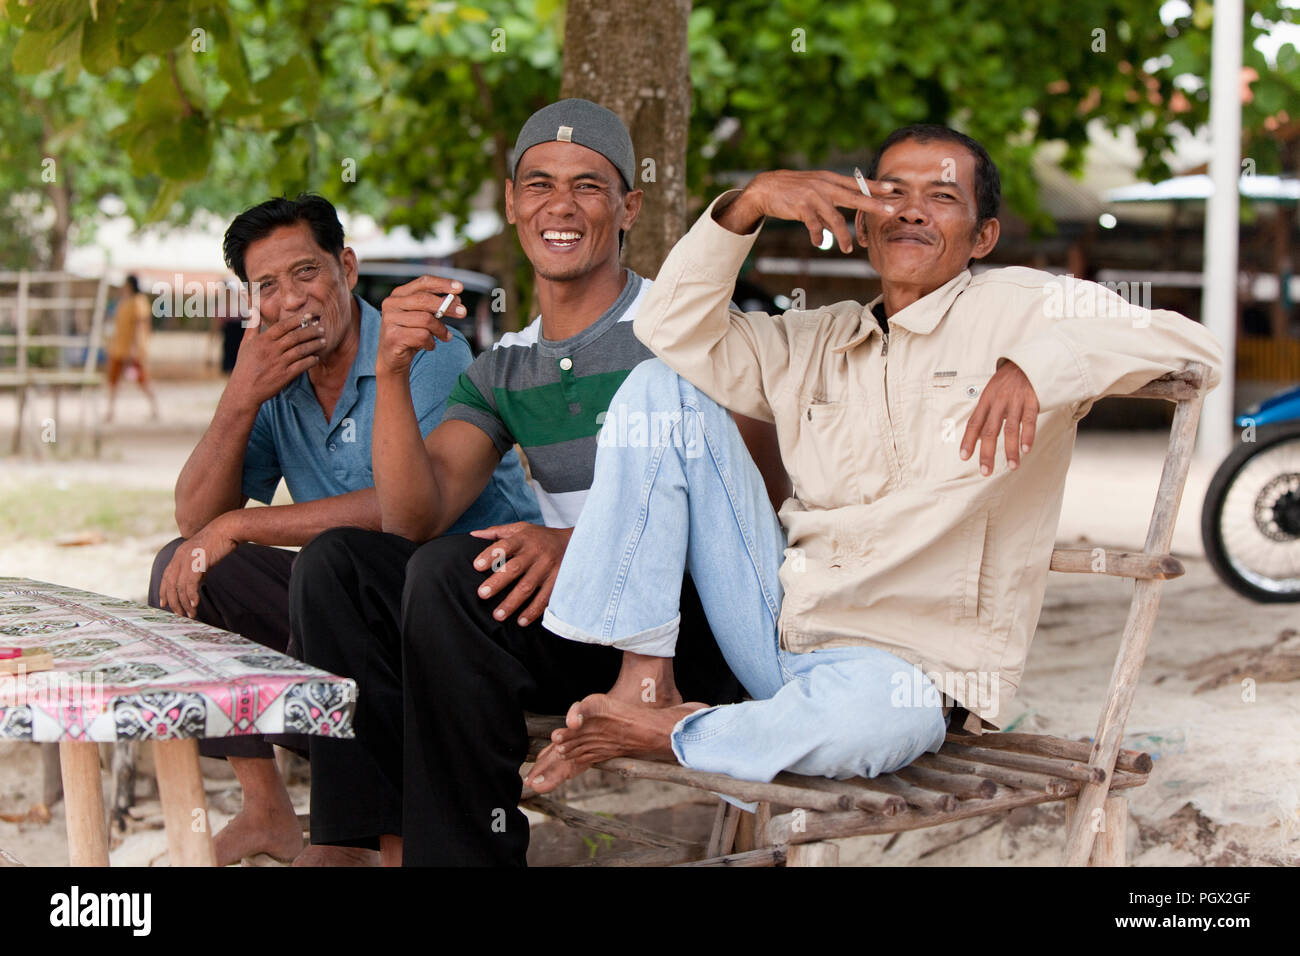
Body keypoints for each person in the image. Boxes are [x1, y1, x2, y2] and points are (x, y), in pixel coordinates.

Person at [526, 124, 1226, 798]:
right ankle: (646, 681)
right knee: (660, 385)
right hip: (776, 626)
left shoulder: (1024, 305)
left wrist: (1036, 366)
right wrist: (748, 205)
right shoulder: (817, 338)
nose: (912, 211)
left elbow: (1191, 345)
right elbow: (668, 329)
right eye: (891, 192)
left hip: (905, 671)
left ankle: (676, 733)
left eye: (942, 196)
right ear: (862, 222)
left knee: (874, 725)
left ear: (983, 236)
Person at [289, 99, 784, 866]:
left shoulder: (685, 324)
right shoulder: (505, 367)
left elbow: (754, 499)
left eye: (588, 185)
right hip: (587, 625)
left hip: (694, 631)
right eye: (539, 183)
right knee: (341, 568)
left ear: (629, 207)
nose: (561, 204)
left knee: (452, 576)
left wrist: (581, 544)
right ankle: (369, 846)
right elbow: (415, 515)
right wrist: (389, 368)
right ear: (515, 204)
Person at [146, 193, 539, 866]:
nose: (290, 298)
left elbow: (403, 512)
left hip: (461, 597)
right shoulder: (278, 376)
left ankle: (359, 842)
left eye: (305, 272)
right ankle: (267, 811)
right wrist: (241, 395)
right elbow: (195, 518)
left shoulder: (418, 344)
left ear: (347, 269)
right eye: (266, 286)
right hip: (342, 599)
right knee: (186, 565)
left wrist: (245, 522)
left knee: (332, 565)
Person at [104, 274, 159, 422]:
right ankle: (110, 411)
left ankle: (155, 408)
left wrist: (135, 348)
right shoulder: (124, 302)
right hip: (119, 348)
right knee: (113, 380)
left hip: (132, 349)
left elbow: (139, 326)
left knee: (142, 380)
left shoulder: (138, 302)